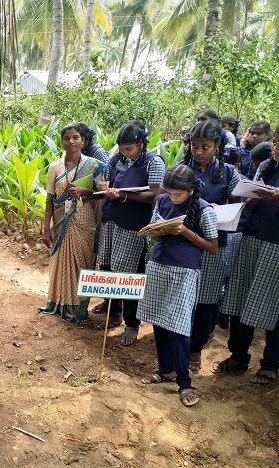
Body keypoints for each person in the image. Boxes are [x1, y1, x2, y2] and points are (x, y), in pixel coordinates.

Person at [137, 165, 218, 406]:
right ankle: (166, 370)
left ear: (191, 189)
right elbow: (153, 234)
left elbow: (212, 247)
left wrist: (184, 232)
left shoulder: (203, 209)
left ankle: (185, 382)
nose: (173, 198)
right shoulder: (162, 201)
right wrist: (158, 230)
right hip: (158, 265)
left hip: (185, 271)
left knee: (180, 328)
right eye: (170, 193)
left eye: (178, 194)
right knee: (159, 320)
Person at [212, 125, 279, 384]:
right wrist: (255, 194)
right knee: (239, 298)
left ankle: (270, 363)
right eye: (275, 143)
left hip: (275, 245)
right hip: (251, 239)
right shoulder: (267, 167)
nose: (276, 148)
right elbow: (248, 205)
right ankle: (238, 355)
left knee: (271, 303)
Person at [93, 123, 166, 345]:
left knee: (130, 273)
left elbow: (154, 194)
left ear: (141, 143)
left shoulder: (153, 162)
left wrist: (124, 194)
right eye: (122, 149)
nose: (125, 153)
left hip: (134, 223)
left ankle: (132, 323)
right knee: (108, 267)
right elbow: (111, 183)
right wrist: (105, 187)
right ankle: (113, 312)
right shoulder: (117, 159)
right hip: (111, 218)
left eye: (129, 149)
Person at [181, 120, 240, 371]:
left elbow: (236, 207)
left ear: (216, 145)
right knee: (183, 296)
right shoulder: (183, 169)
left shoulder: (229, 172)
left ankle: (196, 348)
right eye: (194, 146)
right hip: (183, 241)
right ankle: (179, 343)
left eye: (205, 147)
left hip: (215, 243)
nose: (199, 152)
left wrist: (218, 209)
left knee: (206, 299)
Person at [38, 123, 107, 322]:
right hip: (61, 221)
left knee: (81, 262)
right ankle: (58, 303)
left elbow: (103, 194)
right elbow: (49, 199)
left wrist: (86, 191)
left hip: (84, 222)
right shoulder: (55, 167)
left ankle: (77, 308)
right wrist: (46, 228)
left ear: (83, 141)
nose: (71, 142)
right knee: (60, 262)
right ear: (61, 142)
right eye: (67, 138)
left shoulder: (94, 165)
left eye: (75, 137)